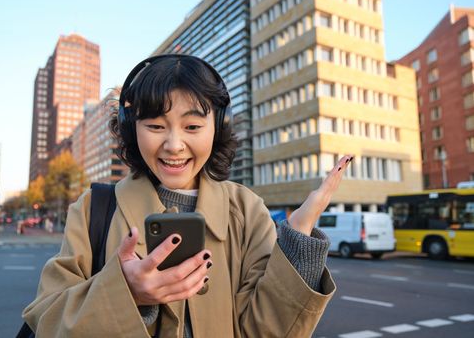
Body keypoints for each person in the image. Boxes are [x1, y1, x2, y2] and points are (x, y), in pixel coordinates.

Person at [22, 54, 352, 337]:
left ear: (218, 127)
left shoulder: (247, 210)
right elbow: (48, 321)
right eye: (155, 126)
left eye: (192, 127)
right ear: (131, 127)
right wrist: (126, 293)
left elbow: (267, 332)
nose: (174, 145)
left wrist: (299, 238)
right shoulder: (95, 208)